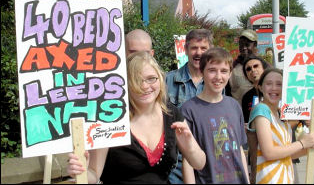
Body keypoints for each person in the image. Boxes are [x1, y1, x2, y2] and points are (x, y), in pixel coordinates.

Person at [67, 52, 206, 183]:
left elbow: (199, 163)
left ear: (160, 78)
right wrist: (81, 171)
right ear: (125, 84)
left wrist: (190, 147)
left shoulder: (171, 113)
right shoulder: (110, 119)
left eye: (151, 78)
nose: (145, 86)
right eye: (136, 80)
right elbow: (93, 174)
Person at [181, 47, 249, 184]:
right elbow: (187, 159)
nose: (218, 77)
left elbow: (239, 148)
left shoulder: (234, 105)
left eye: (224, 71)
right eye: (212, 70)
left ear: (230, 74)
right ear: (202, 72)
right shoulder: (188, 110)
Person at [248, 68, 314, 184]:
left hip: (284, 177)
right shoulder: (261, 110)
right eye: (269, 84)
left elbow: (286, 154)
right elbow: (269, 153)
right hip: (267, 179)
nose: (274, 88)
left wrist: (309, 147)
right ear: (261, 87)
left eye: (279, 84)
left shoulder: (279, 113)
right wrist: (302, 143)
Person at [166, 28, 213, 183]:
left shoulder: (217, 83)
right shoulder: (168, 81)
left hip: (207, 161)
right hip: (175, 165)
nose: (198, 53)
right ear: (185, 49)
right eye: (194, 48)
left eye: (203, 48)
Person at [227, 29, 259, 105]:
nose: (244, 48)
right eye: (241, 45)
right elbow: (227, 93)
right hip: (239, 113)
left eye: (247, 45)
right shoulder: (233, 68)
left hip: (259, 114)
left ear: (255, 45)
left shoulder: (263, 66)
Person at [241, 55, 269, 123]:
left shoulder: (275, 90)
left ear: (264, 69)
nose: (253, 70)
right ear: (246, 75)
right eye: (248, 69)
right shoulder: (246, 97)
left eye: (256, 66)